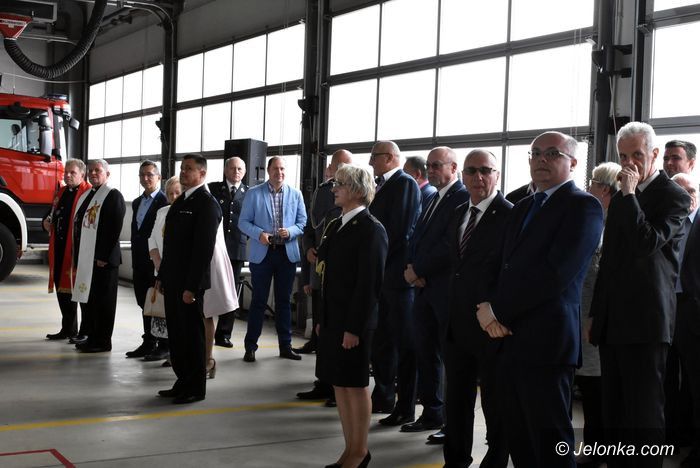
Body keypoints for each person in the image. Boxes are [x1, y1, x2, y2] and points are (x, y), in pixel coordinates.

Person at [478, 131, 603, 467]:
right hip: (507, 342)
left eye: (552, 153)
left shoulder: (583, 206)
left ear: (573, 163)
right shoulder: (521, 207)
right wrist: (485, 307)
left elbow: (555, 274)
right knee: (519, 439)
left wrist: (497, 312)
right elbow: (495, 264)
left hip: (547, 343)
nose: (542, 160)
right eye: (535, 153)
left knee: (549, 442)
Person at [590, 122, 690, 468]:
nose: (629, 163)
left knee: (643, 412)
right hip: (613, 320)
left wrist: (631, 195)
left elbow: (646, 242)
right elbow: (610, 260)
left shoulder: (673, 196)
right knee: (615, 411)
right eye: (622, 156)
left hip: (647, 321)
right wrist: (596, 314)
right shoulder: (621, 196)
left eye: (636, 155)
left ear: (654, 154)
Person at [443, 150, 512, 468]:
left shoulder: (510, 215)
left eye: (486, 170)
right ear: (463, 176)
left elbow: (511, 271)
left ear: (497, 174)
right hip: (456, 324)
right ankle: (455, 460)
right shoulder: (458, 212)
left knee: (495, 403)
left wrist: (497, 311)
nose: (478, 177)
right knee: (456, 401)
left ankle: (495, 461)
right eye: (471, 171)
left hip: (490, 325)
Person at [316, 164, 388, 468]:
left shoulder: (371, 229)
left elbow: (369, 286)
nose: (334, 189)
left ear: (358, 190)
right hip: (334, 319)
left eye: (341, 184)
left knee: (356, 386)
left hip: (353, 324)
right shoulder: (337, 224)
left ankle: (359, 451)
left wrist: (354, 328)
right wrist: (322, 319)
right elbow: (326, 276)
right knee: (340, 384)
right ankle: (350, 449)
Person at [400, 147, 468, 435]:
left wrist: (419, 270)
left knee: (447, 359)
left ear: (453, 167)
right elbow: (415, 236)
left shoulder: (461, 196)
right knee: (425, 352)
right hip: (423, 289)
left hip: (442, 289)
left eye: (437, 165)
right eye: (429, 165)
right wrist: (410, 267)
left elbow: (449, 244)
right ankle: (431, 413)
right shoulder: (432, 197)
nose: (431, 170)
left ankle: (450, 423)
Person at [157, 154, 221, 404]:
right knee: (177, 335)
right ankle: (182, 380)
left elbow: (203, 251)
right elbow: (170, 245)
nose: (183, 172)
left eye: (189, 169)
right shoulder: (182, 200)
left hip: (189, 284)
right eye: (182, 168)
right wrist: (162, 276)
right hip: (173, 280)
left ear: (202, 173)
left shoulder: (206, 204)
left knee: (192, 336)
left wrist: (192, 287)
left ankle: (195, 387)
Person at [367, 140, 421, 419]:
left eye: (374, 156)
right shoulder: (381, 185)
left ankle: (405, 406)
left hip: (397, 278)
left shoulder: (405, 184)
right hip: (382, 277)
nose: (370, 162)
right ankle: (384, 395)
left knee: (403, 343)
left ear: (389, 157)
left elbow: (399, 231)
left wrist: (375, 256)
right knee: (382, 341)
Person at [238, 156, 307, 363]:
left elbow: (302, 222)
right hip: (263, 255)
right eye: (275, 168)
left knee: (284, 301)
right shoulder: (253, 193)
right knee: (258, 301)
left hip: (286, 254)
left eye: (283, 168)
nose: (279, 172)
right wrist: (259, 234)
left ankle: (285, 346)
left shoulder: (296, 194)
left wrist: (291, 231)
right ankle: (250, 347)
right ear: (268, 170)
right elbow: (243, 222)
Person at [296, 149, 352, 404]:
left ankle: (337, 385)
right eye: (338, 166)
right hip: (321, 271)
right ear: (330, 168)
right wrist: (308, 249)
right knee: (322, 329)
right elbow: (311, 227)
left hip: (341, 277)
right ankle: (323, 381)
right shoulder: (323, 192)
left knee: (339, 334)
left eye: (346, 167)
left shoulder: (358, 195)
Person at [575, 162, 621, 468]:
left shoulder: (606, 224)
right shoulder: (600, 220)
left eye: (591, 182)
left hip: (595, 319)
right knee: (593, 389)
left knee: (596, 391)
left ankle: (598, 451)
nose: (588, 187)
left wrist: (592, 317)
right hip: (587, 317)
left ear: (603, 188)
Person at [71, 159, 126, 353]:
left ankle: (103, 341)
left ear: (107, 174)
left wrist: (103, 255)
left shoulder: (113, 195)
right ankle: (92, 337)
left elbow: (114, 229)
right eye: (91, 170)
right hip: (89, 258)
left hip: (104, 260)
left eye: (98, 170)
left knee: (104, 302)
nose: (93, 173)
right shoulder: (88, 195)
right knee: (92, 300)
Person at [671, 172, 700, 467]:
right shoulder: (669, 223)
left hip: (693, 311)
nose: (688, 197)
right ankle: (676, 434)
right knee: (670, 381)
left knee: (695, 381)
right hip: (666, 310)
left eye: (692, 191)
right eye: (681, 192)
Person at [43, 159, 91, 341]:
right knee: (62, 292)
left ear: (82, 174)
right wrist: (45, 222)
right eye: (66, 173)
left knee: (81, 293)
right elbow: (50, 214)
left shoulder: (88, 193)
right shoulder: (61, 192)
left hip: (78, 251)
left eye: (72, 173)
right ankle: (68, 329)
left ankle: (85, 332)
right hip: (60, 248)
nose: (68, 176)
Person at [126, 160, 168, 361]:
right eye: (142, 174)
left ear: (158, 177)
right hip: (139, 260)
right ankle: (148, 341)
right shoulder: (137, 202)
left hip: (155, 262)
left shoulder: (164, 201)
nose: (145, 178)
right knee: (144, 302)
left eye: (150, 174)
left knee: (158, 302)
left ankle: (163, 345)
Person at [207, 156, 248, 349]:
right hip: (213, 246)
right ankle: (203, 326)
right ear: (225, 170)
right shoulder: (213, 189)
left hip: (236, 249)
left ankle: (223, 333)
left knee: (230, 291)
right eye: (232, 168)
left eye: (240, 169)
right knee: (206, 286)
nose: (236, 172)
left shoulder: (249, 193)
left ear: (244, 172)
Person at [148, 176, 182, 368]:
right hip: (161, 269)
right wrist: (158, 264)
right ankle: (167, 349)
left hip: (178, 272)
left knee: (178, 317)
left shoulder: (187, 212)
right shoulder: (162, 211)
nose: (173, 196)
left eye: (177, 192)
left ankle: (178, 354)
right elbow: (152, 239)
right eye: (170, 193)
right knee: (165, 314)